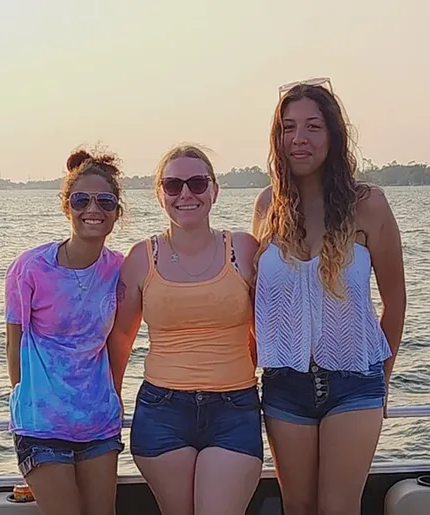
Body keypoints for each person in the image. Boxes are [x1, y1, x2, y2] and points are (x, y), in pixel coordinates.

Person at [251, 78, 407, 515]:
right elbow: (253, 303)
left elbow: (395, 302)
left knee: (339, 507)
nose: (299, 139)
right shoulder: (268, 206)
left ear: (334, 135)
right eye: (288, 127)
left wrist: (384, 383)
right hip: (285, 384)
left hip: (354, 383)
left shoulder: (369, 204)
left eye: (313, 127)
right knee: (296, 506)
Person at [107, 144, 262, 515]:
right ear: (159, 193)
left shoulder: (243, 248)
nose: (186, 194)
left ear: (214, 190)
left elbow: (267, 330)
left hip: (234, 408)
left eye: (196, 183)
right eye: (173, 185)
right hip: (162, 410)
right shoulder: (141, 258)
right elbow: (121, 340)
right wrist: (110, 404)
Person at [4, 148, 126, 515]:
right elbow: (14, 346)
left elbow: (121, 342)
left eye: (105, 201)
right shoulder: (30, 268)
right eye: (81, 200)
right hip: (42, 423)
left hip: (99, 423)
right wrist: (26, 402)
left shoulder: (121, 269)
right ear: (66, 206)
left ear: (117, 212)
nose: (93, 209)